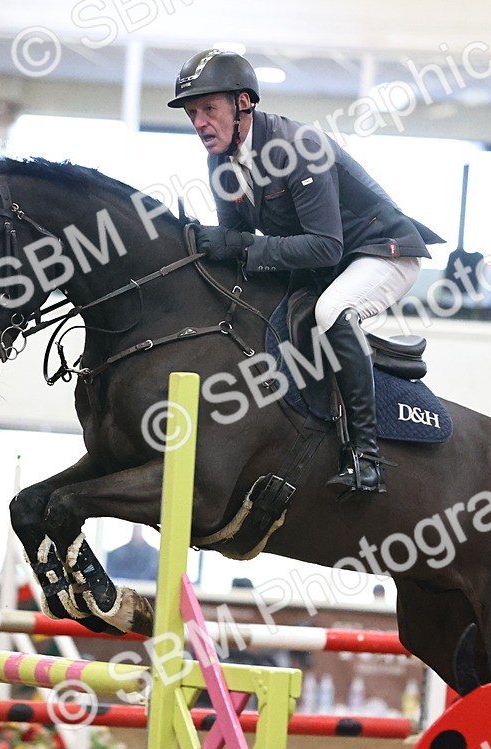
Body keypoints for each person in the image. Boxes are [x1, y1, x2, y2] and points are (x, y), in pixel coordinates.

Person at [169, 49, 443, 493]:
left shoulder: (299, 147)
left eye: (208, 109)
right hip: (327, 262)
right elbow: (240, 245)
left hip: (380, 252)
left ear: (244, 104)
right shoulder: (219, 161)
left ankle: (366, 458)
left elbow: (324, 244)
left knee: (331, 310)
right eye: (192, 112)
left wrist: (238, 244)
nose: (199, 122)